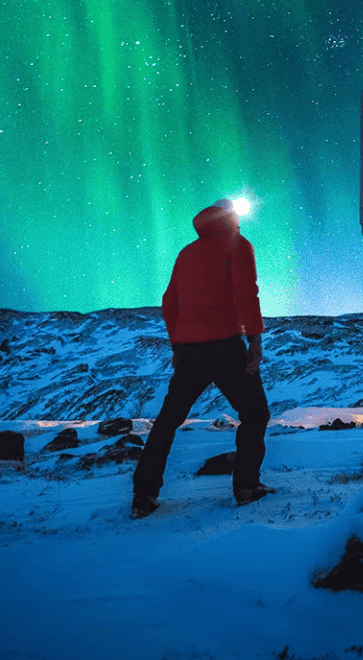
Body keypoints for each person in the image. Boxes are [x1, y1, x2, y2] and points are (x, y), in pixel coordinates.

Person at [131, 199, 272, 518]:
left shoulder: (187, 253)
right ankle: (247, 487)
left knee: (167, 421)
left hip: (191, 350)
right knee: (255, 413)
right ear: (231, 218)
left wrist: (177, 345)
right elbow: (245, 292)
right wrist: (255, 338)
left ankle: (144, 494)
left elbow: (170, 303)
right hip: (225, 344)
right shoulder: (237, 244)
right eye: (237, 217)